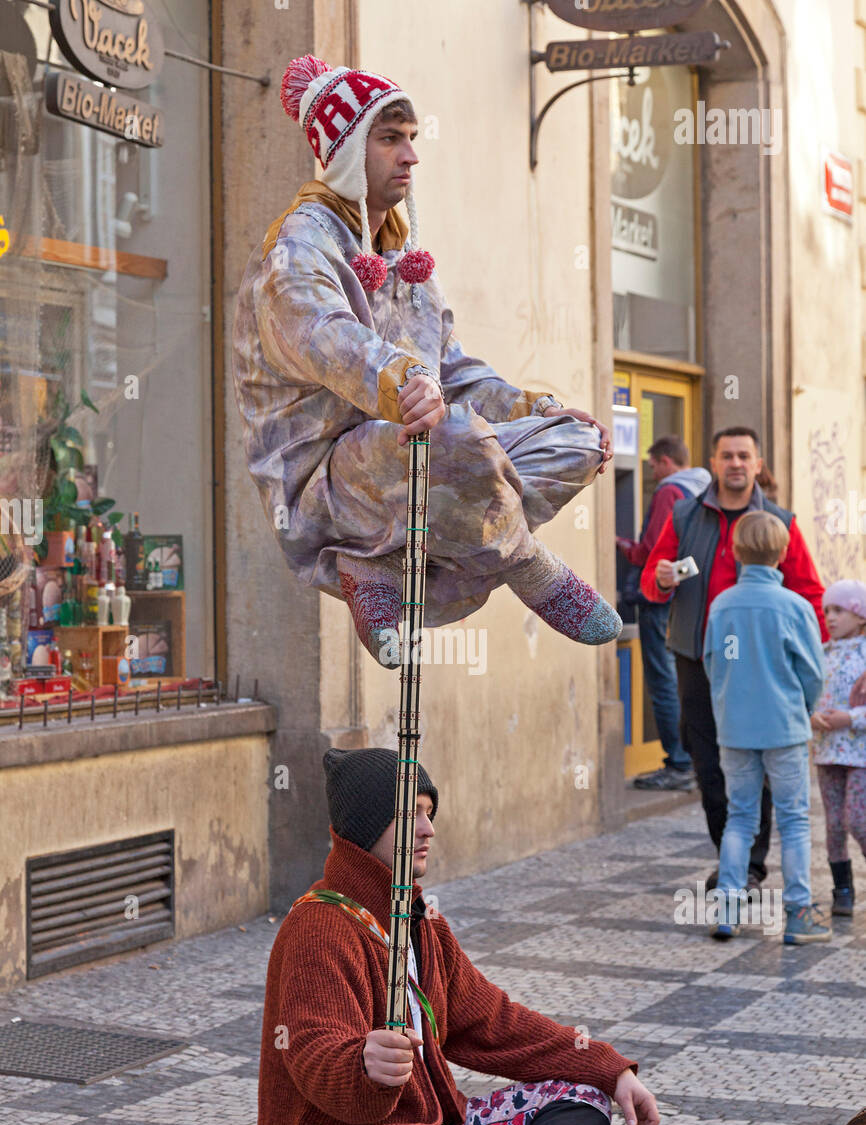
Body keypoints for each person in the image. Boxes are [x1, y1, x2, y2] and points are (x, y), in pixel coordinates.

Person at [232, 55, 621, 669]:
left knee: (576, 442)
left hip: (418, 464)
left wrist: (536, 408)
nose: (411, 155)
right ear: (344, 154)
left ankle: (382, 564)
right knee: (457, 439)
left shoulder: (406, 260)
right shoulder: (297, 245)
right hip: (329, 485)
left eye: (411, 138)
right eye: (389, 139)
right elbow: (325, 337)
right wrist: (405, 382)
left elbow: (456, 370)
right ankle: (525, 563)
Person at [251, 747, 660, 1125]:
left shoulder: (423, 922)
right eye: (409, 816)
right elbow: (311, 1052)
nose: (428, 829)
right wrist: (361, 1064)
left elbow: (495, 1021)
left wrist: (611, 1069)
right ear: (363, 830)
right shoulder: (319, 926)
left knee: (581, 1099)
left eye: (429, 813)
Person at [640, 427, 828, 888]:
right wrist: (662, 578)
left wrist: (823, 665)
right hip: (696, 660)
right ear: (714, 461)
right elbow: (650, 583)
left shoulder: (780, 522)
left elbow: (810, 594)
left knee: (758, 766)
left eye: (745, 455)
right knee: (708, 766)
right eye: (728, 455)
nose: (737, 463)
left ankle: (749, 866)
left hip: (761, 668)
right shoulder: (684, 516)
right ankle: (732, 860)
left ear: (758, 464)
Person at [703, 513, 828, 944]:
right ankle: (799, 914)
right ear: (784, 553)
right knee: (794, 820)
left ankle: (728, 910)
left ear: (735, 552)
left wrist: (727, 709)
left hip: (736, 728)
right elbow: (813, 671)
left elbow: (714, 663)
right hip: (785, 727)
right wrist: (804, 707)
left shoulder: (722, 605)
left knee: (739, 818)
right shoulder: (794, 607)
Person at [616, 435, 709, 790]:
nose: (652, 472)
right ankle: (695, 759)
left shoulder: (670, 492)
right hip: (691, 599)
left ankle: (678, 763)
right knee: (686, 677)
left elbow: (652, 552)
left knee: (663, 679)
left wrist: (621, 545)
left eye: (653, 464)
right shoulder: (703, 488)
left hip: (660, 599)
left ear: (667, 461)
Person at [812, 579, 866, 918]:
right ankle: (842, 888)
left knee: (857, 819)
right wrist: (811, 716)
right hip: (827, 750)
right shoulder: (821, 654)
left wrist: (851, 717)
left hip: (860, 754)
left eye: (839, 610)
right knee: (833, 823)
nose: (830, 617)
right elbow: (805, 692)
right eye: (827, 610)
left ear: (860, 616)